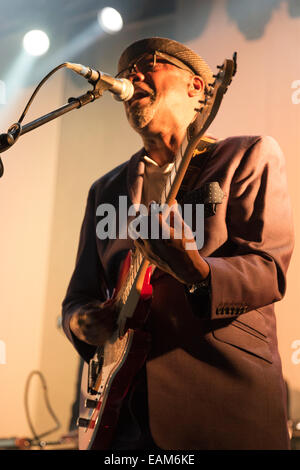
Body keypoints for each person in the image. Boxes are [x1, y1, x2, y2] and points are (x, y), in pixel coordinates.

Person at [62, 37, 294, 450]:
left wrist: (195, 271)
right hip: (120, 417)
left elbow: (267, 270)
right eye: (125, 69)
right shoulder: (105, 190)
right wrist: (84, 323)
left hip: (220, 406)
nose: (130, 75)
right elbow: (78, 299)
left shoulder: (247, 155)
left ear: (198, 88)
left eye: (147, 63)